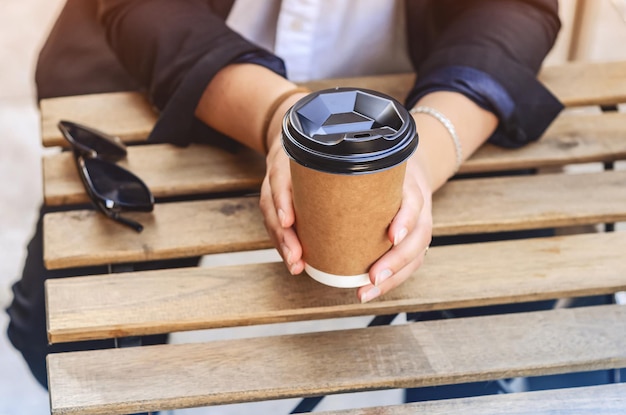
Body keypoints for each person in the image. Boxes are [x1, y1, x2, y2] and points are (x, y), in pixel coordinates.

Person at [8, 0, 565, 394]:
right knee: (65, 341)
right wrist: (274, 116)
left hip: (421, 88)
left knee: (493, 340)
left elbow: (516, 10)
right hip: (180, 82)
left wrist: (422, 152)